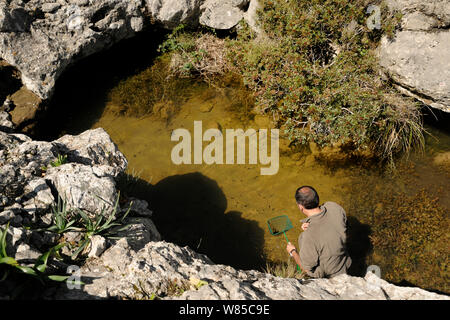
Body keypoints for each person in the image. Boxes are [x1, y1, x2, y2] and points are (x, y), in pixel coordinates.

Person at [286, 186, 352, 278]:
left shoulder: (308, 236)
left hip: (330, 274)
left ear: (300, 207)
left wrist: (292, 251)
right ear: (317, 198)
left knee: (306, 265)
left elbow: (306, 268)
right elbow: (344, 227)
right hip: (345, 262)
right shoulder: (334, 207)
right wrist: (312, 226)